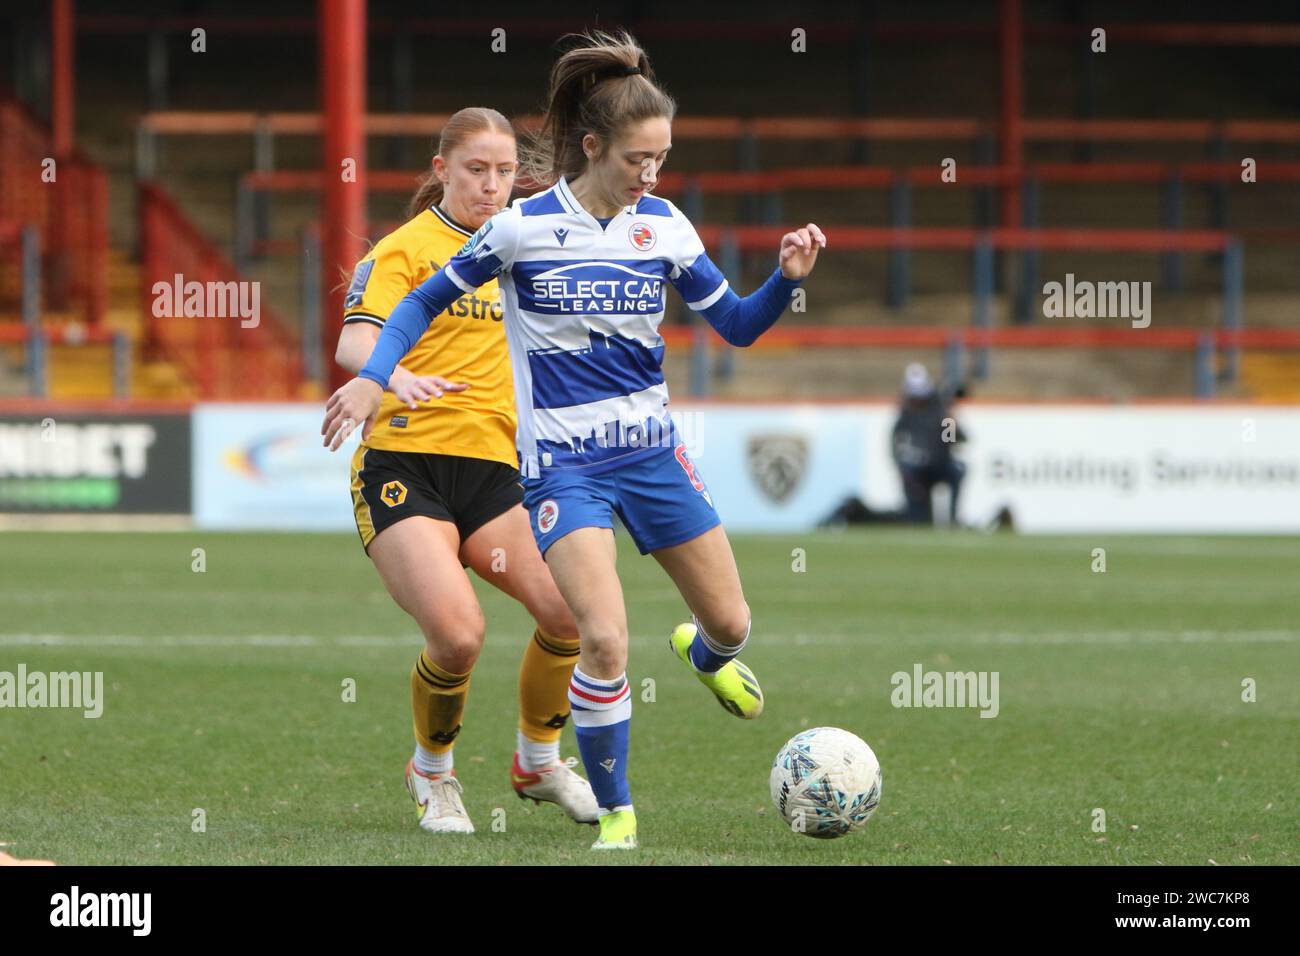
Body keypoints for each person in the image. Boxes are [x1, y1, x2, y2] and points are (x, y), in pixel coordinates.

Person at [323, 31, 825, 850]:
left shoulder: (660, 225)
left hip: (567, 460)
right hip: (488, 464)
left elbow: (733, 323)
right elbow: (394, 318)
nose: (653, 174)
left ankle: (542, 757)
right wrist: (379, 377)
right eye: (640, 158)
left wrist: (786, 282)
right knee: (521, 634)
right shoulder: (500, 236)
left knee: (672, 622)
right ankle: (481, 782)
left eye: (663, 157)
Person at [330, 106, 597, 835]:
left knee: (573, 613)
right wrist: (398, 375)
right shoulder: (405, 249)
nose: (491, 185)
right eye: (476, 169)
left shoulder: (525, 247)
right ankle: (433, 773)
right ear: (442, 169)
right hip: (404, 466)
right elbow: (356, 345)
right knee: (458, 636)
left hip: (494, 472)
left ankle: (538, 761)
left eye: (505, 171)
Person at [890, 362, 967, 524]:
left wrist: (951, 422)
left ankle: (952, 519)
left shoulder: (940, 411)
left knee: (957, 470)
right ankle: (919, 519)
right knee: (910, 475)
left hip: (939, 464)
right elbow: (897, 448)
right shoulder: (905, 417)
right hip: (916, 469)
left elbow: (953, 440)